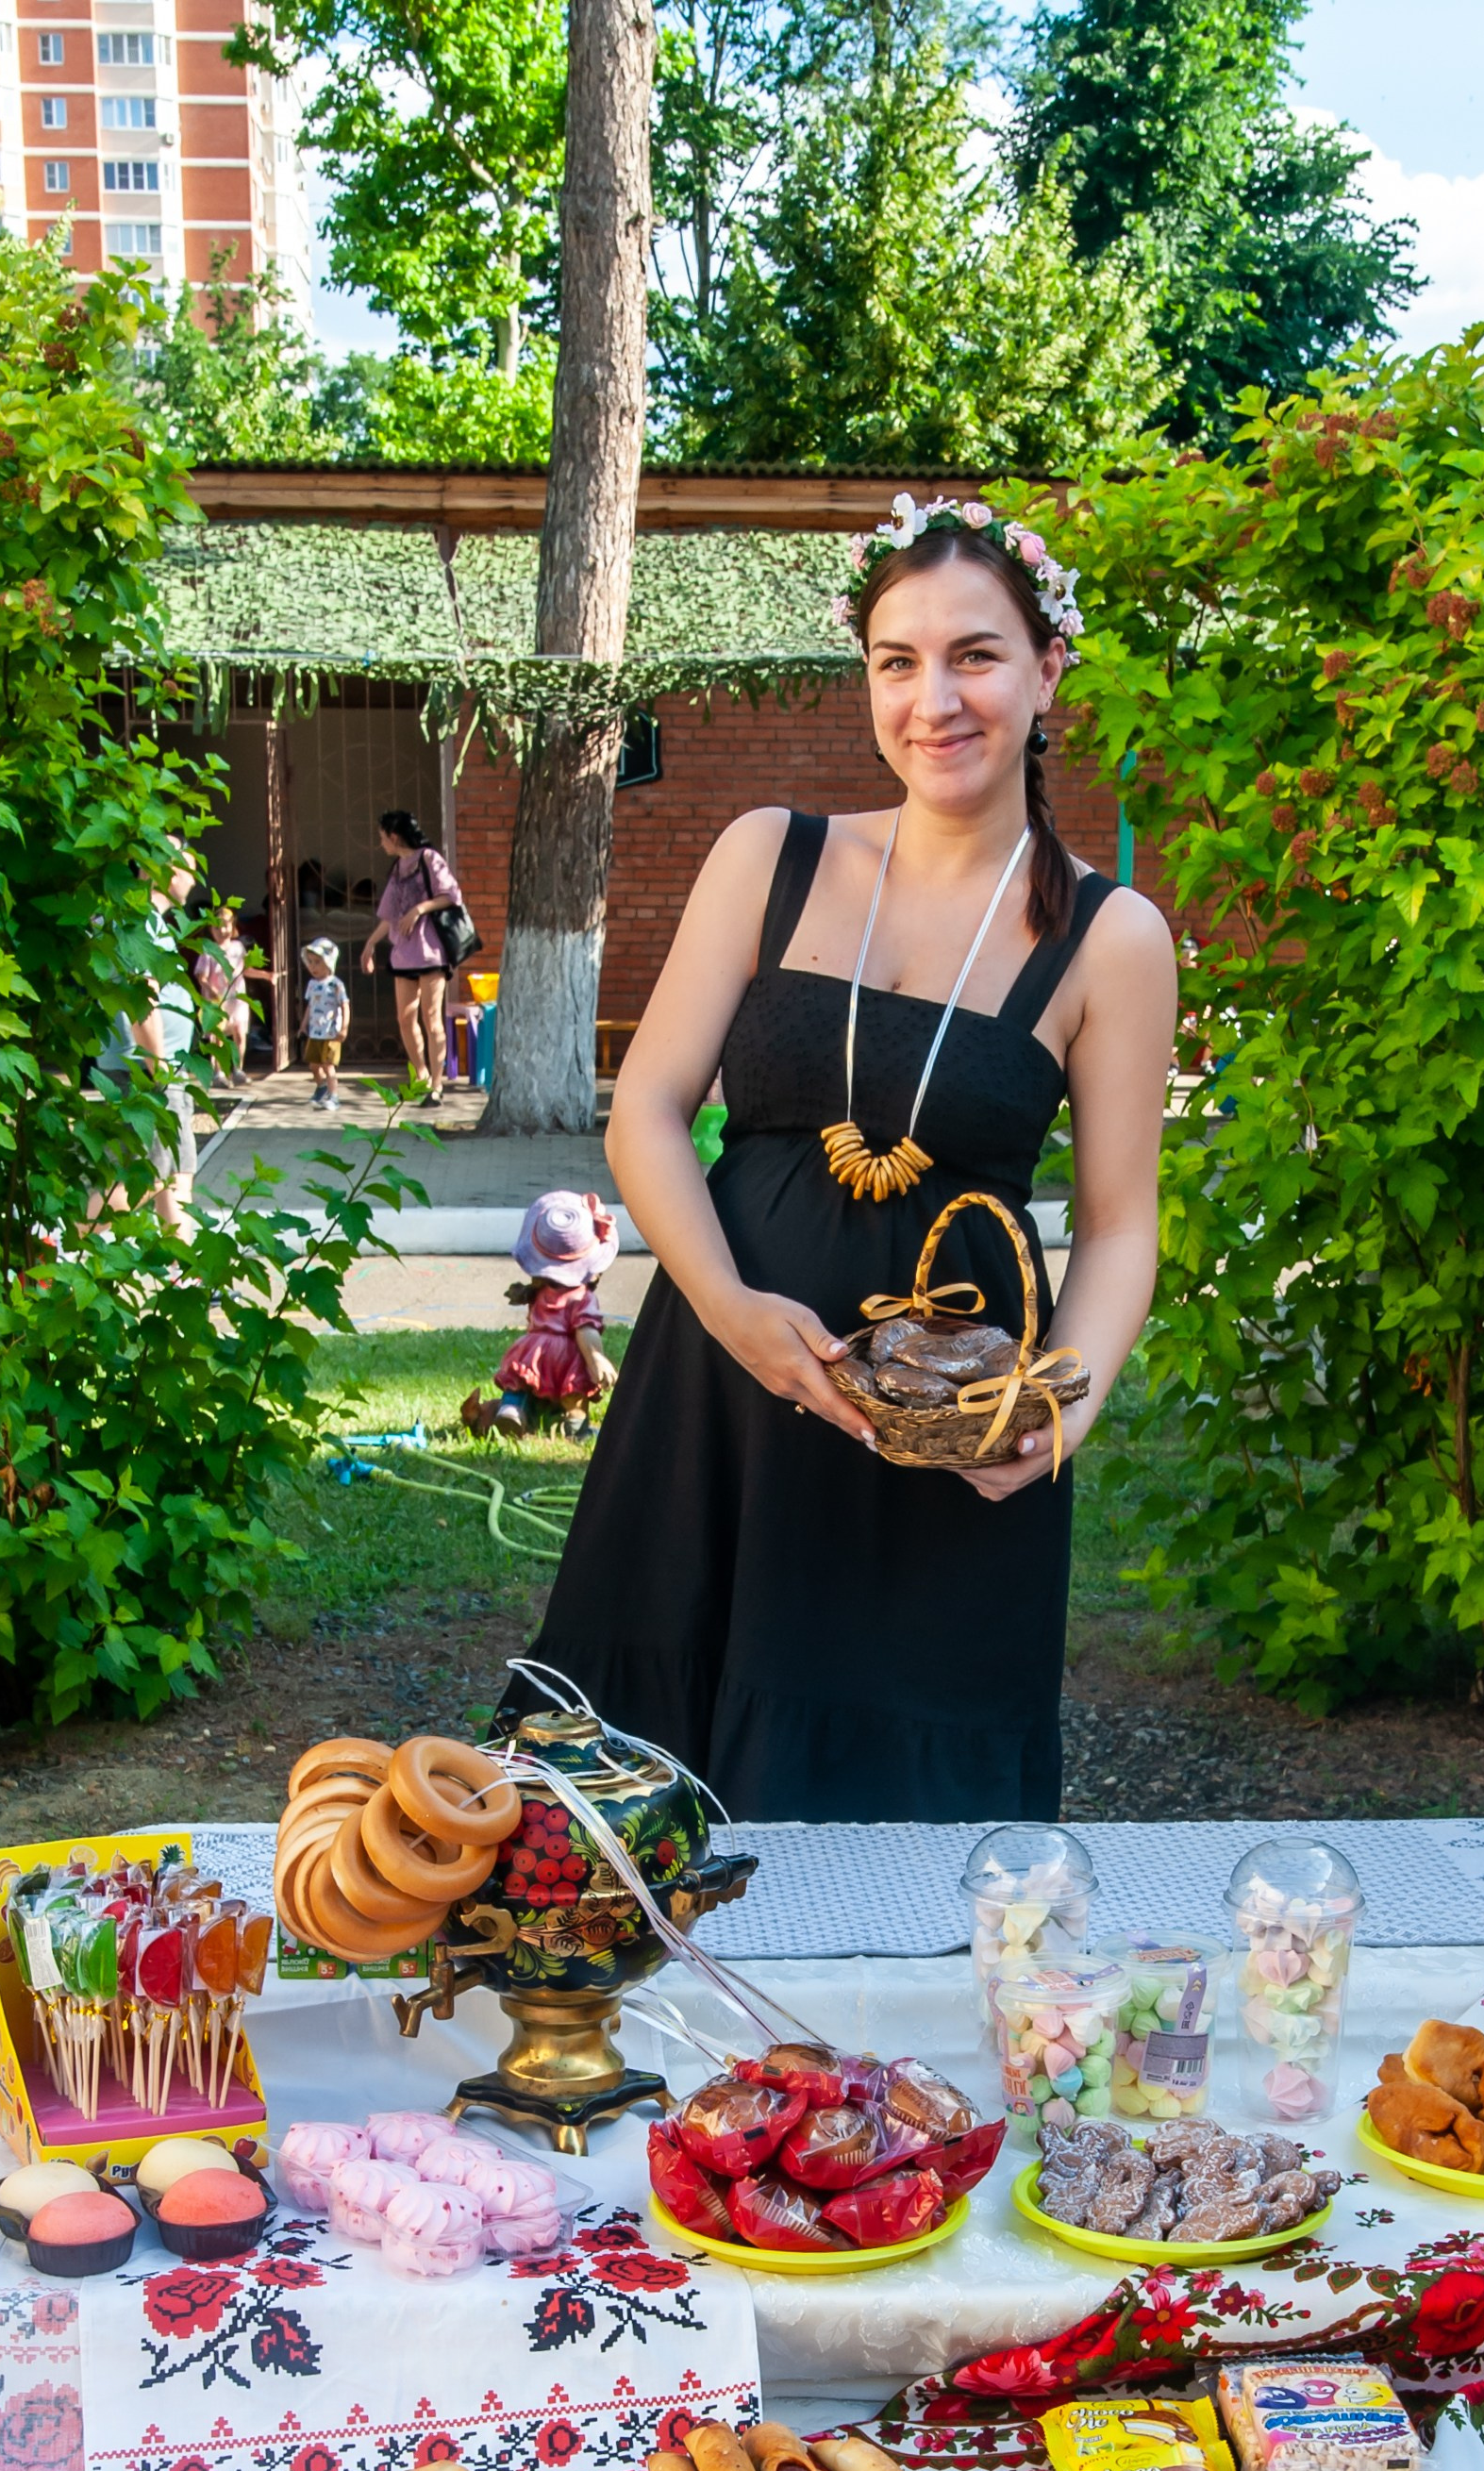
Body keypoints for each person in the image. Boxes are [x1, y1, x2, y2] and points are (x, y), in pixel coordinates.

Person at [509, 495, 1177, 1819]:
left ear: (1049, 673)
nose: (936, 698)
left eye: (977, 655)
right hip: (719, 1399)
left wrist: (1058, 1417)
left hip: (941, 1442)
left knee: (911, 1844)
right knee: (621, 1844)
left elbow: (1118, 1226)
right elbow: (645, 1111)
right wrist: (732, 1310)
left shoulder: (1112, 937)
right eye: (898, 660)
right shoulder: (770, 856)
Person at [89, 851, 202, 1234]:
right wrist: (160, 1068)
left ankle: (186, 1273)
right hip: (146, 1071)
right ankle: (59, 1245)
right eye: (190, 868)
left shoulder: (150, 921)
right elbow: (143, 1003)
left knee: (177, 1173)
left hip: (158, 1068)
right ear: (167, 870)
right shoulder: (136, 921)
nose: (195, 879)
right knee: (148, 1179)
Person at [463, 1190, 621, 1443]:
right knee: (574, 1391)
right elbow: (585, 1330)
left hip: (532, 1348)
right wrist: (596, 1360)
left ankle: (512, 1410)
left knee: (521, 1382)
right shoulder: (583, 1298)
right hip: (566, 1353)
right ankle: (575, 1426)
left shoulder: (541, 1289)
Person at [360, 810, 463, 1107]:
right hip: (404, 954)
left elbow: (452, 895)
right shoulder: (397, 868)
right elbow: (388, 916)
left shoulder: (430, 859)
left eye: (382, 837)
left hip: (431, 952)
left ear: (394, 836)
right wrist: (370, 944)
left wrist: (419, 909)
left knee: (432, 1018)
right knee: (405, 1018)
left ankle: (436, 1084)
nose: (382, 844)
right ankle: (419, 1076)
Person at [192, 899, 261, 1091]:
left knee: (240, 1034)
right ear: (211, 930)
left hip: (237, 1000)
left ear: (232, 926)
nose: (222, 931)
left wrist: (267, 975)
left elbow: (245, 970)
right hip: (216, 1002)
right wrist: (213, 991)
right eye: (217, 927)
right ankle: (218, 1073)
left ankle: (238, 1070)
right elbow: (201, 977)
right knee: (218, 1038)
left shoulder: (238, 947)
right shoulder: (208, 950)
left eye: (226, 926)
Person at [301, 937, 350, 1110]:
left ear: (328, 963)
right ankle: (321, 1087)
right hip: (315, 1032)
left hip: (330, 1033)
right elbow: (310, 1006)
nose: (313, 967)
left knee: (328, 1066)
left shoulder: (336, 984)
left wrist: (344, 1027)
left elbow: (345, 1005)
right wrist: (303, 1024)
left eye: (318, 962)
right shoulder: (312, 984)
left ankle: (334, 1096)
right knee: (314, 1065)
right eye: (311, 962)